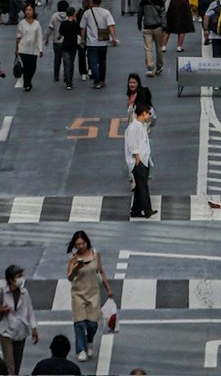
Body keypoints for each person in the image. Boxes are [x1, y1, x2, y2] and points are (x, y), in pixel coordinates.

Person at [65, 232, 114, 365]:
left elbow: (101, 271)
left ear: (87, 242)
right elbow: (69, 277)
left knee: (92, 324)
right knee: (79, 323)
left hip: (93, 293)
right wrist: (76, 269)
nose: (81, 246)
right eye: (78, 244)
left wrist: (108, 288)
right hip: (78, 294)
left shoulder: (95, 254)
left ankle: (89, 340)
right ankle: (81, 350)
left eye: (83, 243)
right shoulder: (73, 258)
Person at [0, 265, 39, 374]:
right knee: (9, 363)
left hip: (21, 331)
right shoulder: (1, 292)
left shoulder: (24, 293)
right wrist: (0, 309)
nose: (21, 278)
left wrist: (34, 328)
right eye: (18, 276)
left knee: (17, 363)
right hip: (6, 330)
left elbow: (29, 311)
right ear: (11, 279)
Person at [125, 103, 154, 219]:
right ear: (143, 113)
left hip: (144, 159)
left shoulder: (141, 125)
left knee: (140, 187)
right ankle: (147, 210)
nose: (149, 116)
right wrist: (137, 156)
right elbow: (132, 144)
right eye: (148, 114)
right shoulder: (133, 127)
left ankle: (136, 210)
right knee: (143, 187)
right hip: (139, 160)